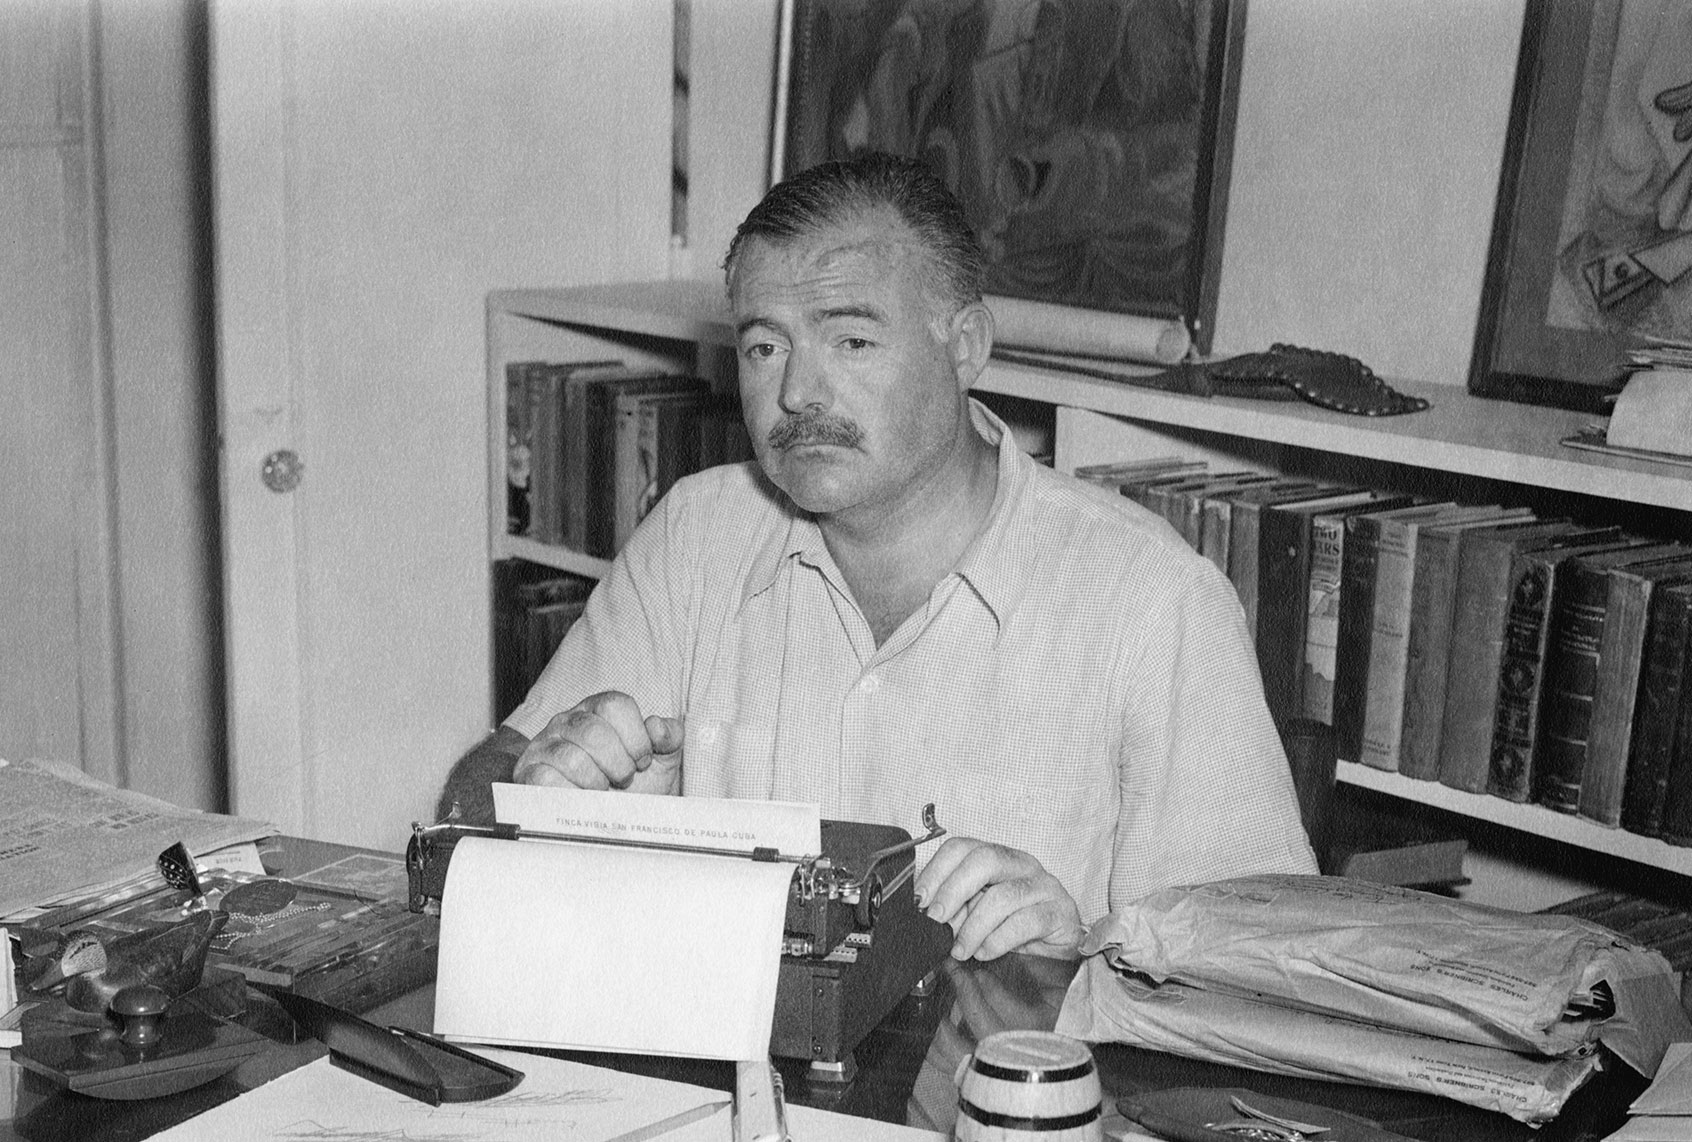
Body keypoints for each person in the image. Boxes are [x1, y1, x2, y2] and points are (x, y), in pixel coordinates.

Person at [439, 152, 1316, 962]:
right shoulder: (698, 535)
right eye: (763, 346)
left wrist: (1079, 957)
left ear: (966, 345)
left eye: (851, 341)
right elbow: (460, 812)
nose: (796, 393)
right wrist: (534, 791)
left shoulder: (1155, 600)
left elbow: (1268, 976)